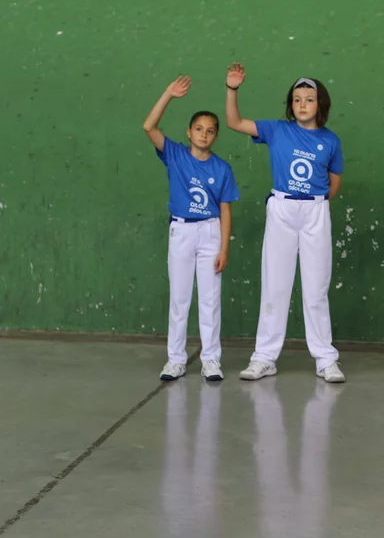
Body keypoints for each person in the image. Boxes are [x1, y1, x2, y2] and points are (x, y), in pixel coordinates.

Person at [223, 63, 346, 383]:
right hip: (281, 210)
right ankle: (264, 357)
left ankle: (325, 359)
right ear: (291, 105)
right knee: (275, 285)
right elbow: (234, 122)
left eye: (309, 99)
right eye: (296, 99)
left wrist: (313, 203)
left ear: (320, 104)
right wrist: (232, 89)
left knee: (316, 288)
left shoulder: (331, 141)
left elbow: (334, 182)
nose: (302, 104)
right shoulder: (276, 130)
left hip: (315, 212)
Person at [143, 75, 238, 382]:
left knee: (210, 300)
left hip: (210, 233)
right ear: (189, 131)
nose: (203, 134)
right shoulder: (174, 154)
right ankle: (175, 360)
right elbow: (149, 127)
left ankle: (211, 360)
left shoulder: (222, 169)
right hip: (181, 232)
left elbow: (225, 209)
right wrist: (168, 94)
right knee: (179, 298)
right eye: (198, 128)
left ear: (216, 136)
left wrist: (224, 248)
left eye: (210, 131)